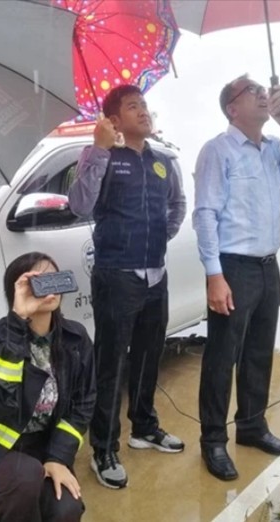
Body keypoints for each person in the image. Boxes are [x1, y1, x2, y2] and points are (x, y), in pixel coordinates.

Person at [193, 74, 280, 481]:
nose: (262, 94)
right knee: (222, 357)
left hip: (267, 266)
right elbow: (205, 213)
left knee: (259, 352)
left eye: (262, 90)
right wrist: (214, 275)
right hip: (233, 266)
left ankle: (252, 426)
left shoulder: (276, 150)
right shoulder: (218, 150)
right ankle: (213, 440)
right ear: (232, 108)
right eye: (252, 91)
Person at [68, 85, 187, 489]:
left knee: (150, 355)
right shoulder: (100, 156)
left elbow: (178, 204)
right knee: (112, 364)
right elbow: (80, 205)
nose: (144, 111)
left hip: (156, 274)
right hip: (117, 276)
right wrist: (100, 149)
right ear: (114, 120)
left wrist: (163, 235)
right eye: (133, 106)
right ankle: (103, 448)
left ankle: (144, 427)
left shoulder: (161, 161)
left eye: (145, 105)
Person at [0, 252, 95, 522]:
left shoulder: (75, 338)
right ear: (18, 291)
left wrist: (58, 458)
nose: (49, 288)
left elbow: (83, 403)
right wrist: (18, 320)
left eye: (54, 278)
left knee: (66, 508)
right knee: (25, 478)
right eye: (37, 282)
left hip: (43, 445)